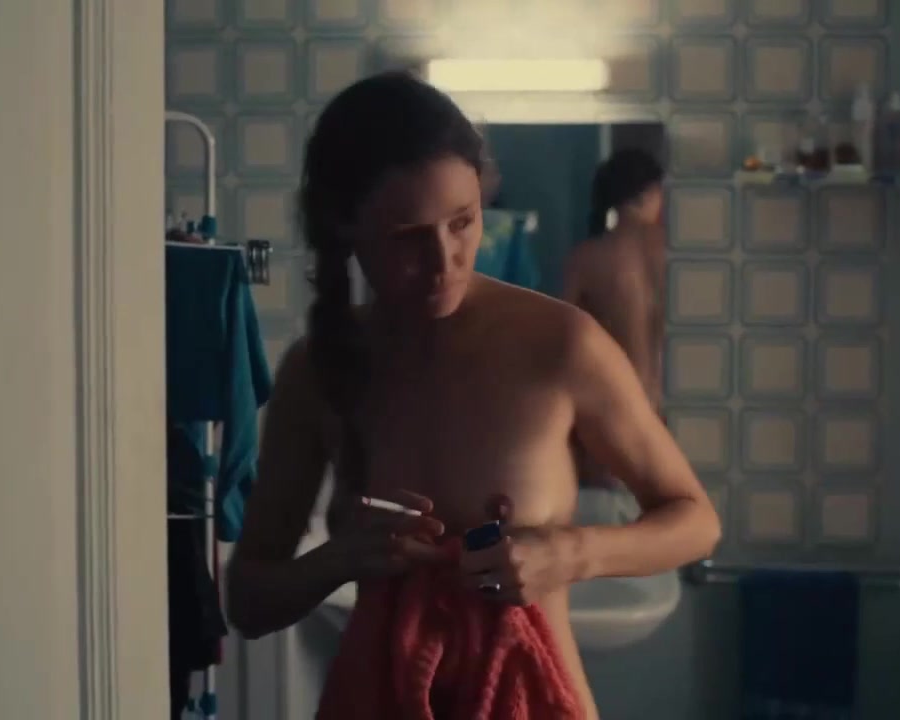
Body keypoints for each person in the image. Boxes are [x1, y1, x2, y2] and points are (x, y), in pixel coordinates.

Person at [225, 71, 720, 719]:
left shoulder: (561, 344)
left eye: (462, 222)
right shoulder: (317, 369)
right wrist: (340, 560)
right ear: (346, 226)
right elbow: (249, 602)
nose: (445, 261)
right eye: (408, 236)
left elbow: (696, 522)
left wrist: (570, 553)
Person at [563, 149, 668, 488]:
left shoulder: (587, 258)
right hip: (674, 417)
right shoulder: (679, 253)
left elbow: (561, 346)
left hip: (614, 414)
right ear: (649, 192)